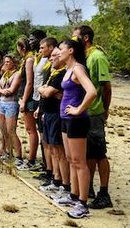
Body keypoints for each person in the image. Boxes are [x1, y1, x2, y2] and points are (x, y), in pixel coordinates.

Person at [55, 37, 97, 219]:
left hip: (76, 121)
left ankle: (83, 203)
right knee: (71, 159)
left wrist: (79, 109)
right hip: (65, 119)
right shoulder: (67, 69)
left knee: (80, 162)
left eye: (61, 48)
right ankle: (73, 195)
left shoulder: (78, 68)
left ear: (71, 50)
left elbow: (92, 91)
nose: (58, 51)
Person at [73, 25, 113, 209]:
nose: (73, 41)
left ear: (86, 38)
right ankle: (87, 188)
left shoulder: (97, 57)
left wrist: (104, 111)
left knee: (99, 153)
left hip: (94, 112)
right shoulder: (83, 57)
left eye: (76, 37)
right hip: (84, 112)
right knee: (88, 153)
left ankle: (104, 193)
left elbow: (106, 87)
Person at [37, 46, 70, 197]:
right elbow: (44, 90)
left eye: (55, 56)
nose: (51, 58)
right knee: (51, 148)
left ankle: (65, 184)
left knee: (59, 150)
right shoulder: (53, 73)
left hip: (57, 115)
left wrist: (45, 90)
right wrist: (44, 90)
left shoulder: (62, 74)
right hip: (48, 113)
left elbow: (48, 92)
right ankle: (55, 179)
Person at [32, 37, 57, 180]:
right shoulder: (45, 62)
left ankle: (54, 174)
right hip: (42, 104)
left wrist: (42, 90)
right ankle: (48, 169)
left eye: (43, 48)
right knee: (45, 140)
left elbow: (46, 88)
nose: (40, 51)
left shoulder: (53, 67)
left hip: (51, 108)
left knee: (51, 143)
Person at [15, 36, 40, 170]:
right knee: (29, 129)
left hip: (29, 99)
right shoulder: (27, 59)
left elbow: (30, 82)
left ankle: (31, 159)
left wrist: (24, 101)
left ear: (22, 48)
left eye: (18, 48)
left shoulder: (30, 60)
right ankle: (31, 158)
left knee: (31, 130)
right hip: (25, 97)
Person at [0, 54, 22, 163]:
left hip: (11, 103)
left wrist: (2, 90)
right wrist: (1, 91)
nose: (6, 64)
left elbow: (11, 90)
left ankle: (19, 156)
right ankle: (8, 152)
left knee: (11, 131)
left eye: (8, 62)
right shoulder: (5, 74)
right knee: (3, 129)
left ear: (14, 62)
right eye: (5, 62)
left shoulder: (17, 74)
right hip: (2, 103)